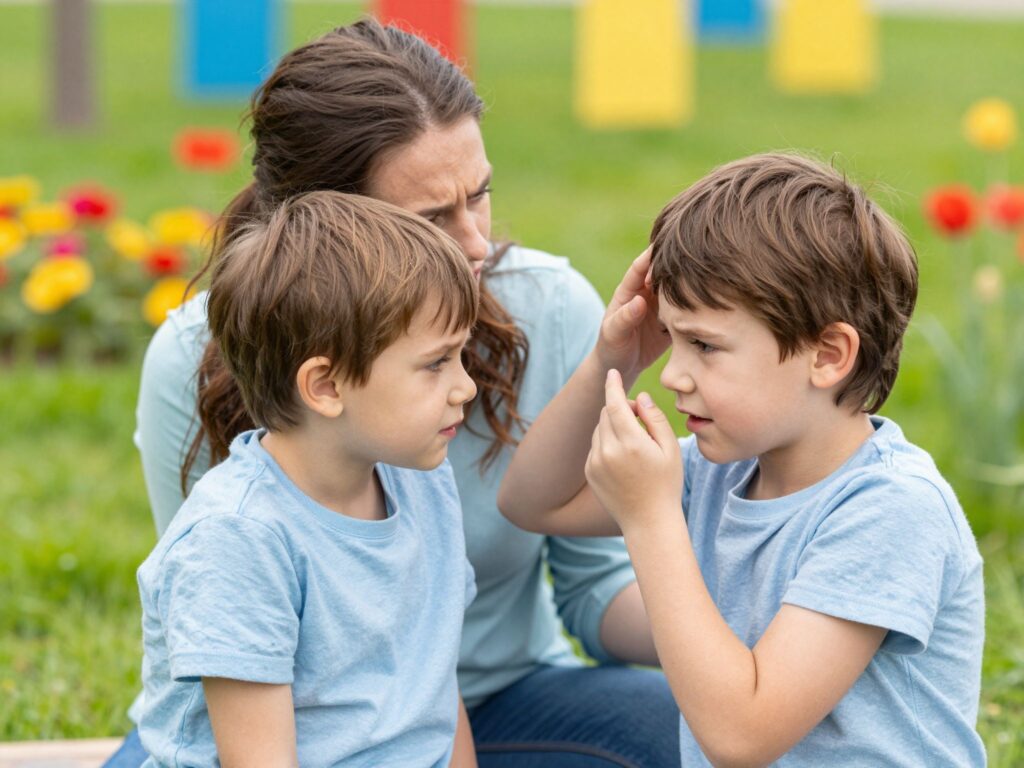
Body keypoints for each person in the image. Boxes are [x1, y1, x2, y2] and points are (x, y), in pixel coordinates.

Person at [107, 17, 679, 768]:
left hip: (488, 703)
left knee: (702, 737)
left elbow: (590, 590)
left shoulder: (547, 311)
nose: (477, 243)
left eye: (479, 196)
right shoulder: (193, 359)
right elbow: (231, 647)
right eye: (431, 219)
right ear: (324, 230)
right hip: (266, 729)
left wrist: (758, 632)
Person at [499, 153, 986, 766]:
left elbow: (741, 737)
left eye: (705, 345)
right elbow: (532, 501)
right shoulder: (720, 471)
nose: (674, 374)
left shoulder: (891, 509)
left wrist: (651, 519)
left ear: (828, 354)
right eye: (672, 338)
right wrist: (610, 361)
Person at [136, 191, 479, 767]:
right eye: (436, 363)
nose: (465, 385)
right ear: (325, 386)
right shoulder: (240, 540)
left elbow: (438, 695)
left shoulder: (423, 483)